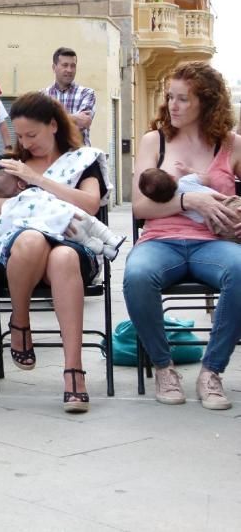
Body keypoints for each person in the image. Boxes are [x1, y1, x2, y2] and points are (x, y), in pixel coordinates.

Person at [0, 92, 112, 413]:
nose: (26, 143)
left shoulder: (83, 159)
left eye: (32, 135)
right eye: (20, 136)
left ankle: (74, 371)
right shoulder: (9, 162)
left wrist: (36, 180)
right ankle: (20, 322)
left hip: (71, 249)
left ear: (53, 125)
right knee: (33, 240)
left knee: (62, 256)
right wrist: (35, 211)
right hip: (19, 251)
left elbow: (90, 203)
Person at [124, 62, 241, 410]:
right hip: (161, 241)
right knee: (137, 275)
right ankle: (163, 368)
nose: (173, 106)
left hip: (214, 243)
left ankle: (211, 371)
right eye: (170, 97)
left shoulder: (231, 144)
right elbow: (141, 208)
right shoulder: (154, 141)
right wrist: (190, 199)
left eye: (183, 99)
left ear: (205, 102)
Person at [0, 167, 125, 260]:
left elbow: (10, 224)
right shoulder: (33, 192)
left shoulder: (11, 208)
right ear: (21, 184)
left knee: (86, 241)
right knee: (93, 224)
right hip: (71, 213)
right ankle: (112, 239)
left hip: (61, 230)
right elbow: (53, 197)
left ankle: (107, 251)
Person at [137, 164, 241, 231]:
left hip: (220, 227)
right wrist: (189, 169)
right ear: (172, 177)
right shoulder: (185, 181)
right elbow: (206, 178)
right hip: (228, 204)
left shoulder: (176, 209)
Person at [42, 47, 96, 146]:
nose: (69, 70)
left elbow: (84, 122)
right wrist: (75, 118)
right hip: (52, 159)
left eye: (73, 66)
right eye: (65, 65)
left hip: (81, 157)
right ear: (54, 67)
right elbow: (40, 126)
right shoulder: (42, 96)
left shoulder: (87, 93)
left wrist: (51, 120)